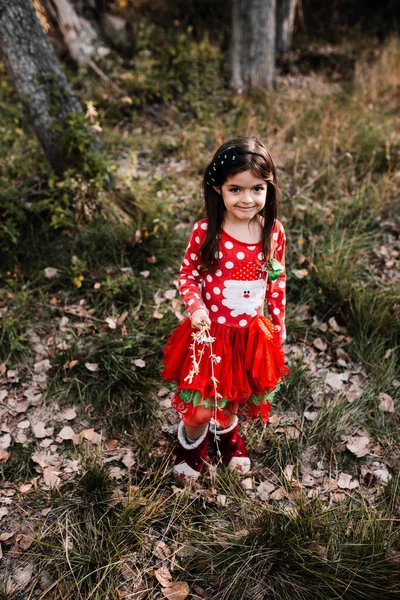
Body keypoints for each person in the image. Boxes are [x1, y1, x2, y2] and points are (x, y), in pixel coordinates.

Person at [160, 136, 290, 484]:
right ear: (219, 189)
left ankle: (227, 436)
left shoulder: (272, 232)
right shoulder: (207, 232)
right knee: (201, 406)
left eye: (257, 189)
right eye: (236, 189)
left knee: (235, 397)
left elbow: (276, 282)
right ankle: (191, 446)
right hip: (210, 334)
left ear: (268, 188)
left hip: (249, 334)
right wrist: (197, 308)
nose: (247, 199)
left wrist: (277, 323)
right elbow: (188, 275)